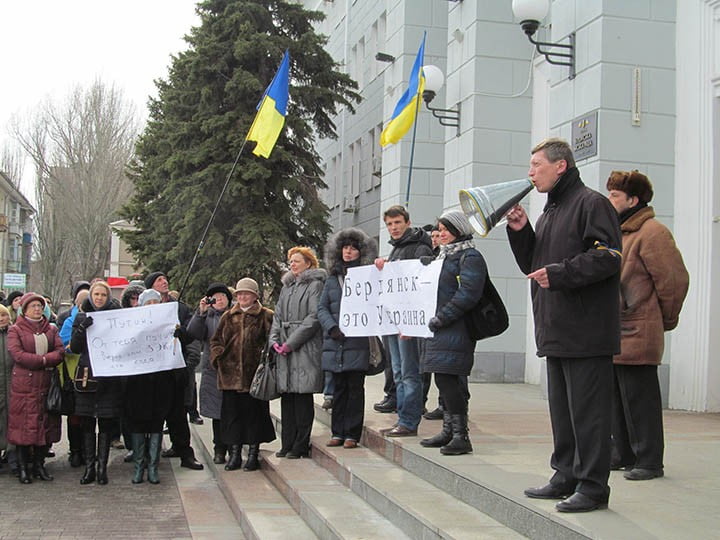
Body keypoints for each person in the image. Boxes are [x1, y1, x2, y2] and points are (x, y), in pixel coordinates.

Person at [505, 138, 622, 513]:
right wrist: (522, 230)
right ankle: (565, 475)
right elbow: (533, 266)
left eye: (537, 164)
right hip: (556, 327)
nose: (530, 172)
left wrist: (559, 273)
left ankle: (592, 487)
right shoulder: (550, 213)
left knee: (589, 414)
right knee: (563, 412)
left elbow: (608, 257)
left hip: (586, 331)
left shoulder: (592, 203)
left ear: (561, 166)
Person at [605, 170, 689, 481]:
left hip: (639, 329)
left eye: (615, 195)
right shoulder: (618, 231)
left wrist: (664, 319)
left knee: (641, 400)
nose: (610, 199)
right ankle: (622, 453)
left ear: (633, 199)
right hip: (615, 331)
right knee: (616, 397)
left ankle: (649, 461)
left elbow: (674, 281)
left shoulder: (653, 232)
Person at [420, 211, 485, 455]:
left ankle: (461, 435)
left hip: (456, 327)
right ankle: (449, 430)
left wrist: (442, 317)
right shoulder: (445, 257)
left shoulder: (470, 257)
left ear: (459, 230)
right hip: (441, 329)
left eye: (446, 229)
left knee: (450, 381)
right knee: (442, 379)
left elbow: (468, 293)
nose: (441, 233)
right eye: (439, 229)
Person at [374, 205, 434, 436]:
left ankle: (409, 421)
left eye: (397, 222)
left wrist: (411, 323)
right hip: (392, 321)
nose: (394, 228)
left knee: (409, 374)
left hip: (407, 324)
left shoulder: (419, 247)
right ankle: (403, 418)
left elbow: (421, 280)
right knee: (398, 373)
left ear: (407, 222)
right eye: (389, 224)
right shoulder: (397, 249)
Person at [318, 228, 378, 449]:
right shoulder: (332, 279)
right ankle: (337, 432)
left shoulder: (368, 276)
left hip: (357, 341)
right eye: (345, 247)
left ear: (360, 252)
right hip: (336, 342)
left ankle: (352, 434)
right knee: (338, 389)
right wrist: (332, 327)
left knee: (355, 388)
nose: (349, 252)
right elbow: (322, 308)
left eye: (353, 248)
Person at [210, 278, 275, 471]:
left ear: (255, 295)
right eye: (239, 294)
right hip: (230, 376)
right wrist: (218, 358)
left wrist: (264, 360)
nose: (242, 297)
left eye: (246, 293)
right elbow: (215, 341)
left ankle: (253, 454)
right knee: (232, 417)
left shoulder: (266, 315)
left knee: (254, 415)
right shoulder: (228, 316)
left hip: (254, 376)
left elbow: (273, 340)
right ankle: (235, 454)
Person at [269, 246, 326, 458]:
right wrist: (274, 340)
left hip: (304, 347)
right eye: (290, 261)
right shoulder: (287, 287)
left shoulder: (315, 285)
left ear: (308, 263)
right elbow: (277, 316)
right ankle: (287, 443)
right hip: (285, 346)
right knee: (287, 397)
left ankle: (301, 444)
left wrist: (291, 342)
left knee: (302, 397)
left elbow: (313, 318)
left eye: (296, 261)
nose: (292, 264)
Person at [145, 271, 204, 470]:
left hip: (173, 371)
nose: (164, 281)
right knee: (152, 415)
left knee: (178, 415)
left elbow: (191, 334)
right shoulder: (143, 309)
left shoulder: (179, 308)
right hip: (151, 373)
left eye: (165, 279)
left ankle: (185, 452)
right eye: (159, 280)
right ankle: (146, 454)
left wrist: (183, 333)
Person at [7, 293, 65, 484]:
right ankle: (24, 468)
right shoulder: (15, 330)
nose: (37, 309)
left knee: (44, 426)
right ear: (24, 309)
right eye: (33, 306)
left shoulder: (51, 329)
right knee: (24, 428)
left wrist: (45, 360)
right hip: (24, 386)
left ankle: (40, 465)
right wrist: (42, 360)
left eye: (40, 306)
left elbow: (59, 352)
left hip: (46, 384)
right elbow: (17, 354)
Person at [70, 280, 124, 485]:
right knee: (87, 424)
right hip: (87, 376)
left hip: (108, 378)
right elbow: (75, 347)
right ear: (91, 297)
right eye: (96, 295)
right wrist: (82, 327)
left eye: (103, 295)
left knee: (105, 423)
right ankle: (89, 467)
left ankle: (103, 468)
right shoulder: (82, 316)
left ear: (108, 297)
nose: (99, 298)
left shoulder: (115, 317)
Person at [124, 288, 173, 484]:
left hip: (160, 381)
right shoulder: (130, 324)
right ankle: (139, 466)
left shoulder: (168, 323)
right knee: (137, 423)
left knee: (155, 424)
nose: (152, 306)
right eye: (148, 303)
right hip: (137, 382)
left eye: (155, 303)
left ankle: (153, 466)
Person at [187, 282, 233, 464]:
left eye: (223, 296)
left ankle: (233, 447)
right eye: (216, 297)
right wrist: (201, 313)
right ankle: (219, 448)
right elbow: (193, 332)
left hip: (233, 370)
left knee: (232, 411)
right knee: (217, 412)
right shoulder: (208, 316)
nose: (219, 300)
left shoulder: (235, 314)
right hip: (212, 370)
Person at [0, 305, 12, 470]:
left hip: (11, 384)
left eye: (4, 315)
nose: (1, 318)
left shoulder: (14, 334)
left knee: (11, 421)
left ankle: (11, 455)